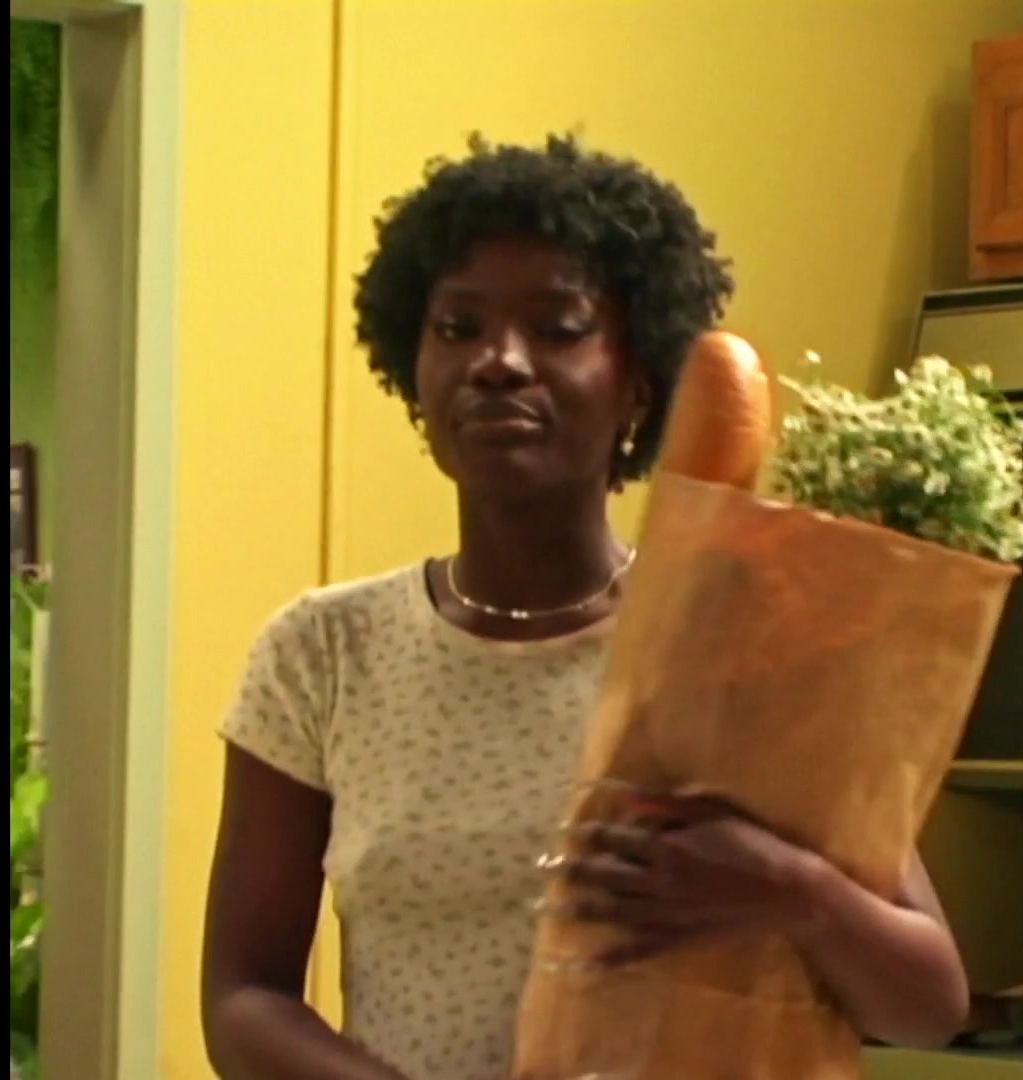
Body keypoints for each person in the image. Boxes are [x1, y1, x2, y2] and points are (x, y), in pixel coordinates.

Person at [200, 133, 970, 1080]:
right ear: (413, 369)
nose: (498, 361)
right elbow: (245, 996)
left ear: (638, 383)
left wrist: (784, 887)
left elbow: (930, 1005)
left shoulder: (739, 639)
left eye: (558, 328)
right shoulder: (322, 653)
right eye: (458, 327)